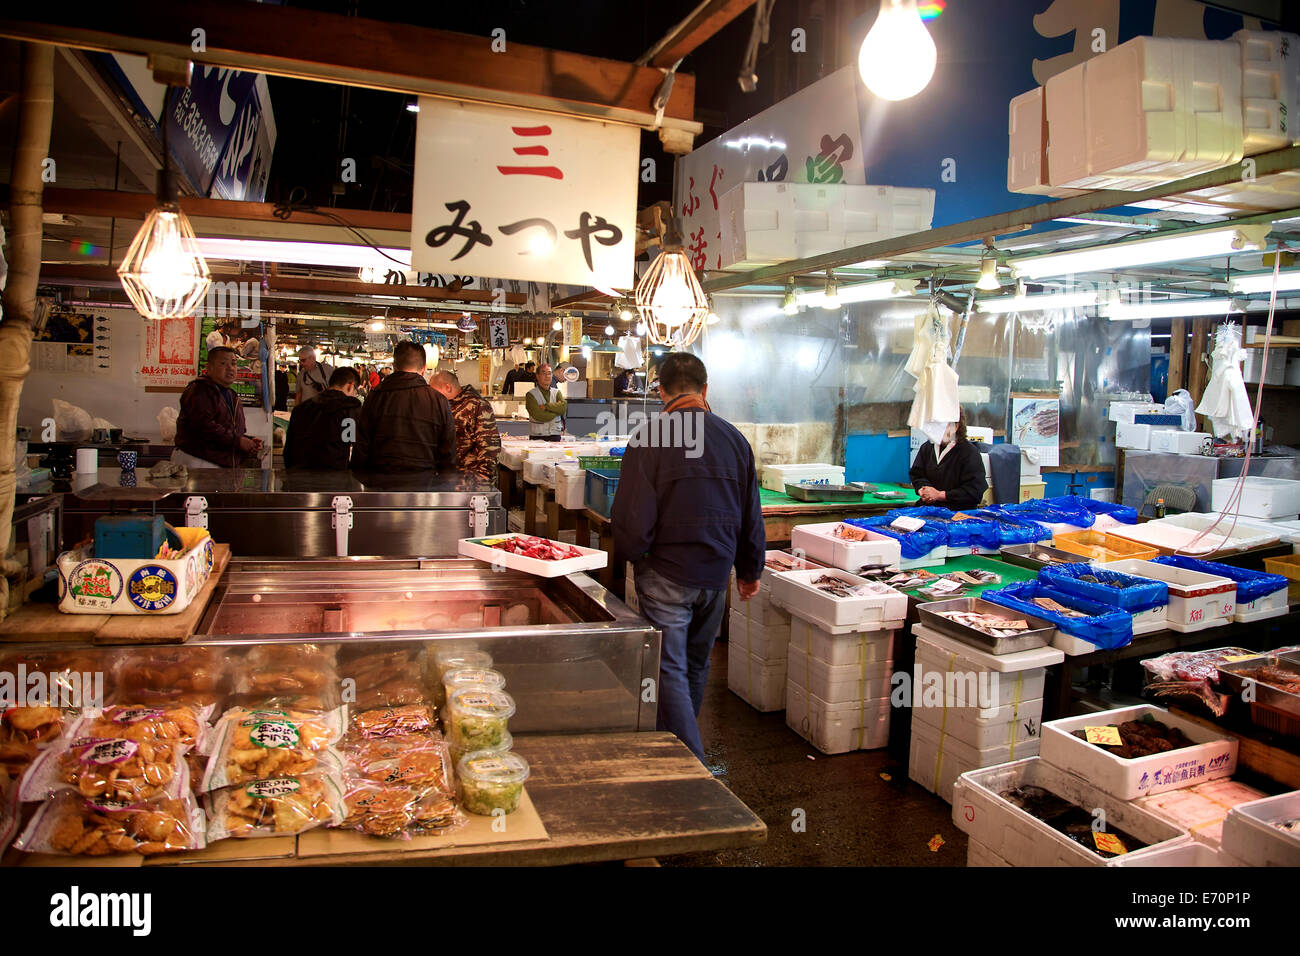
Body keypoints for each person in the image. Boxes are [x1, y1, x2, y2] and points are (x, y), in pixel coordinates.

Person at [611, 353, 765, 765]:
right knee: (696, 666)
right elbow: (752, 510)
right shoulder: (735, 439)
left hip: (665, 574)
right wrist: (750, 570)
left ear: (660, 391)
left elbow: (631, 515)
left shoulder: (648, 438)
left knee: (670, 670)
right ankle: (675, 752)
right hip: (715, 576)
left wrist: (631, 557)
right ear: (706, 389)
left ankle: (691, 766)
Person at [352, 340, 456, 472]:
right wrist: (445, 484)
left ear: (394, 366)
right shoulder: (438, 400)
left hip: (381, 483)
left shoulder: (375, 396)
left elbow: (361, 446)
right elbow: (448, 452)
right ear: (423, 369)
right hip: (425, 484)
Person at [173, 346, 262, 468]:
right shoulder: (199, 390)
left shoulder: (231, 395)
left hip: (221, 464)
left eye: (233, 363)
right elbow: (204, 426)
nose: (230, 368)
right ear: (209, 368)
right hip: (198, 461)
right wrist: (239, 441)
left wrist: (247, 441)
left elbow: (229, 429)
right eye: (223, 363)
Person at [283, 366, 362, 470]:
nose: (355, 395)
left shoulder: (301, 409)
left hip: (299, 477)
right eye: (356, 391)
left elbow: (288, 451)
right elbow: (354, 444)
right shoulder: (349, 409)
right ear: (350, 386)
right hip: (333, 479)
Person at [430, 370, 502, 482]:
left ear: (448, 387)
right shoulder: (444, 406)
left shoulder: (477, 405)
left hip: (472, 480)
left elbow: (490, 444)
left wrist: (483, 476)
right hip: (450, 479)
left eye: (434, 392)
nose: (432, 397)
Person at [909, 411, 988, 510]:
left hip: (957, 514)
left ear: (956, 426)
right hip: (928, 509)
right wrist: (924, 489)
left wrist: (940, 495)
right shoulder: (927, 448)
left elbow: (974, 492)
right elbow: (917, 474)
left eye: (943, 426)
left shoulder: (969, 453)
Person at [525, 363, 567, 441]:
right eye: (544, 373)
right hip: (537, 437)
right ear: (537, 376)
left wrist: (547, 407)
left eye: (549, 373)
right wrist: (555, 411)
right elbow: (539, 415)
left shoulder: (557, 392)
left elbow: (563, 408)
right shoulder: (531, 395)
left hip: (555, 436)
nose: (547, 376)